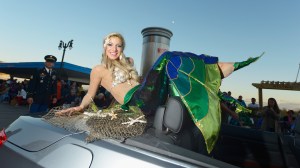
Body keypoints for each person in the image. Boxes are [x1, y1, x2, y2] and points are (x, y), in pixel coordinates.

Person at [55, 32, 262, 153]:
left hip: (146, 96)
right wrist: (81, 106)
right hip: (138, 101)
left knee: (177, 77)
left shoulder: (128, 65)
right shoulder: (98, 70)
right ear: (104, 46)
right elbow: (90, 94)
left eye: (118, 45)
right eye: (110, 44)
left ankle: (214, 75)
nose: (114, 49)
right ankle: (215, 68)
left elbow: (141, 83)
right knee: (169, 58)